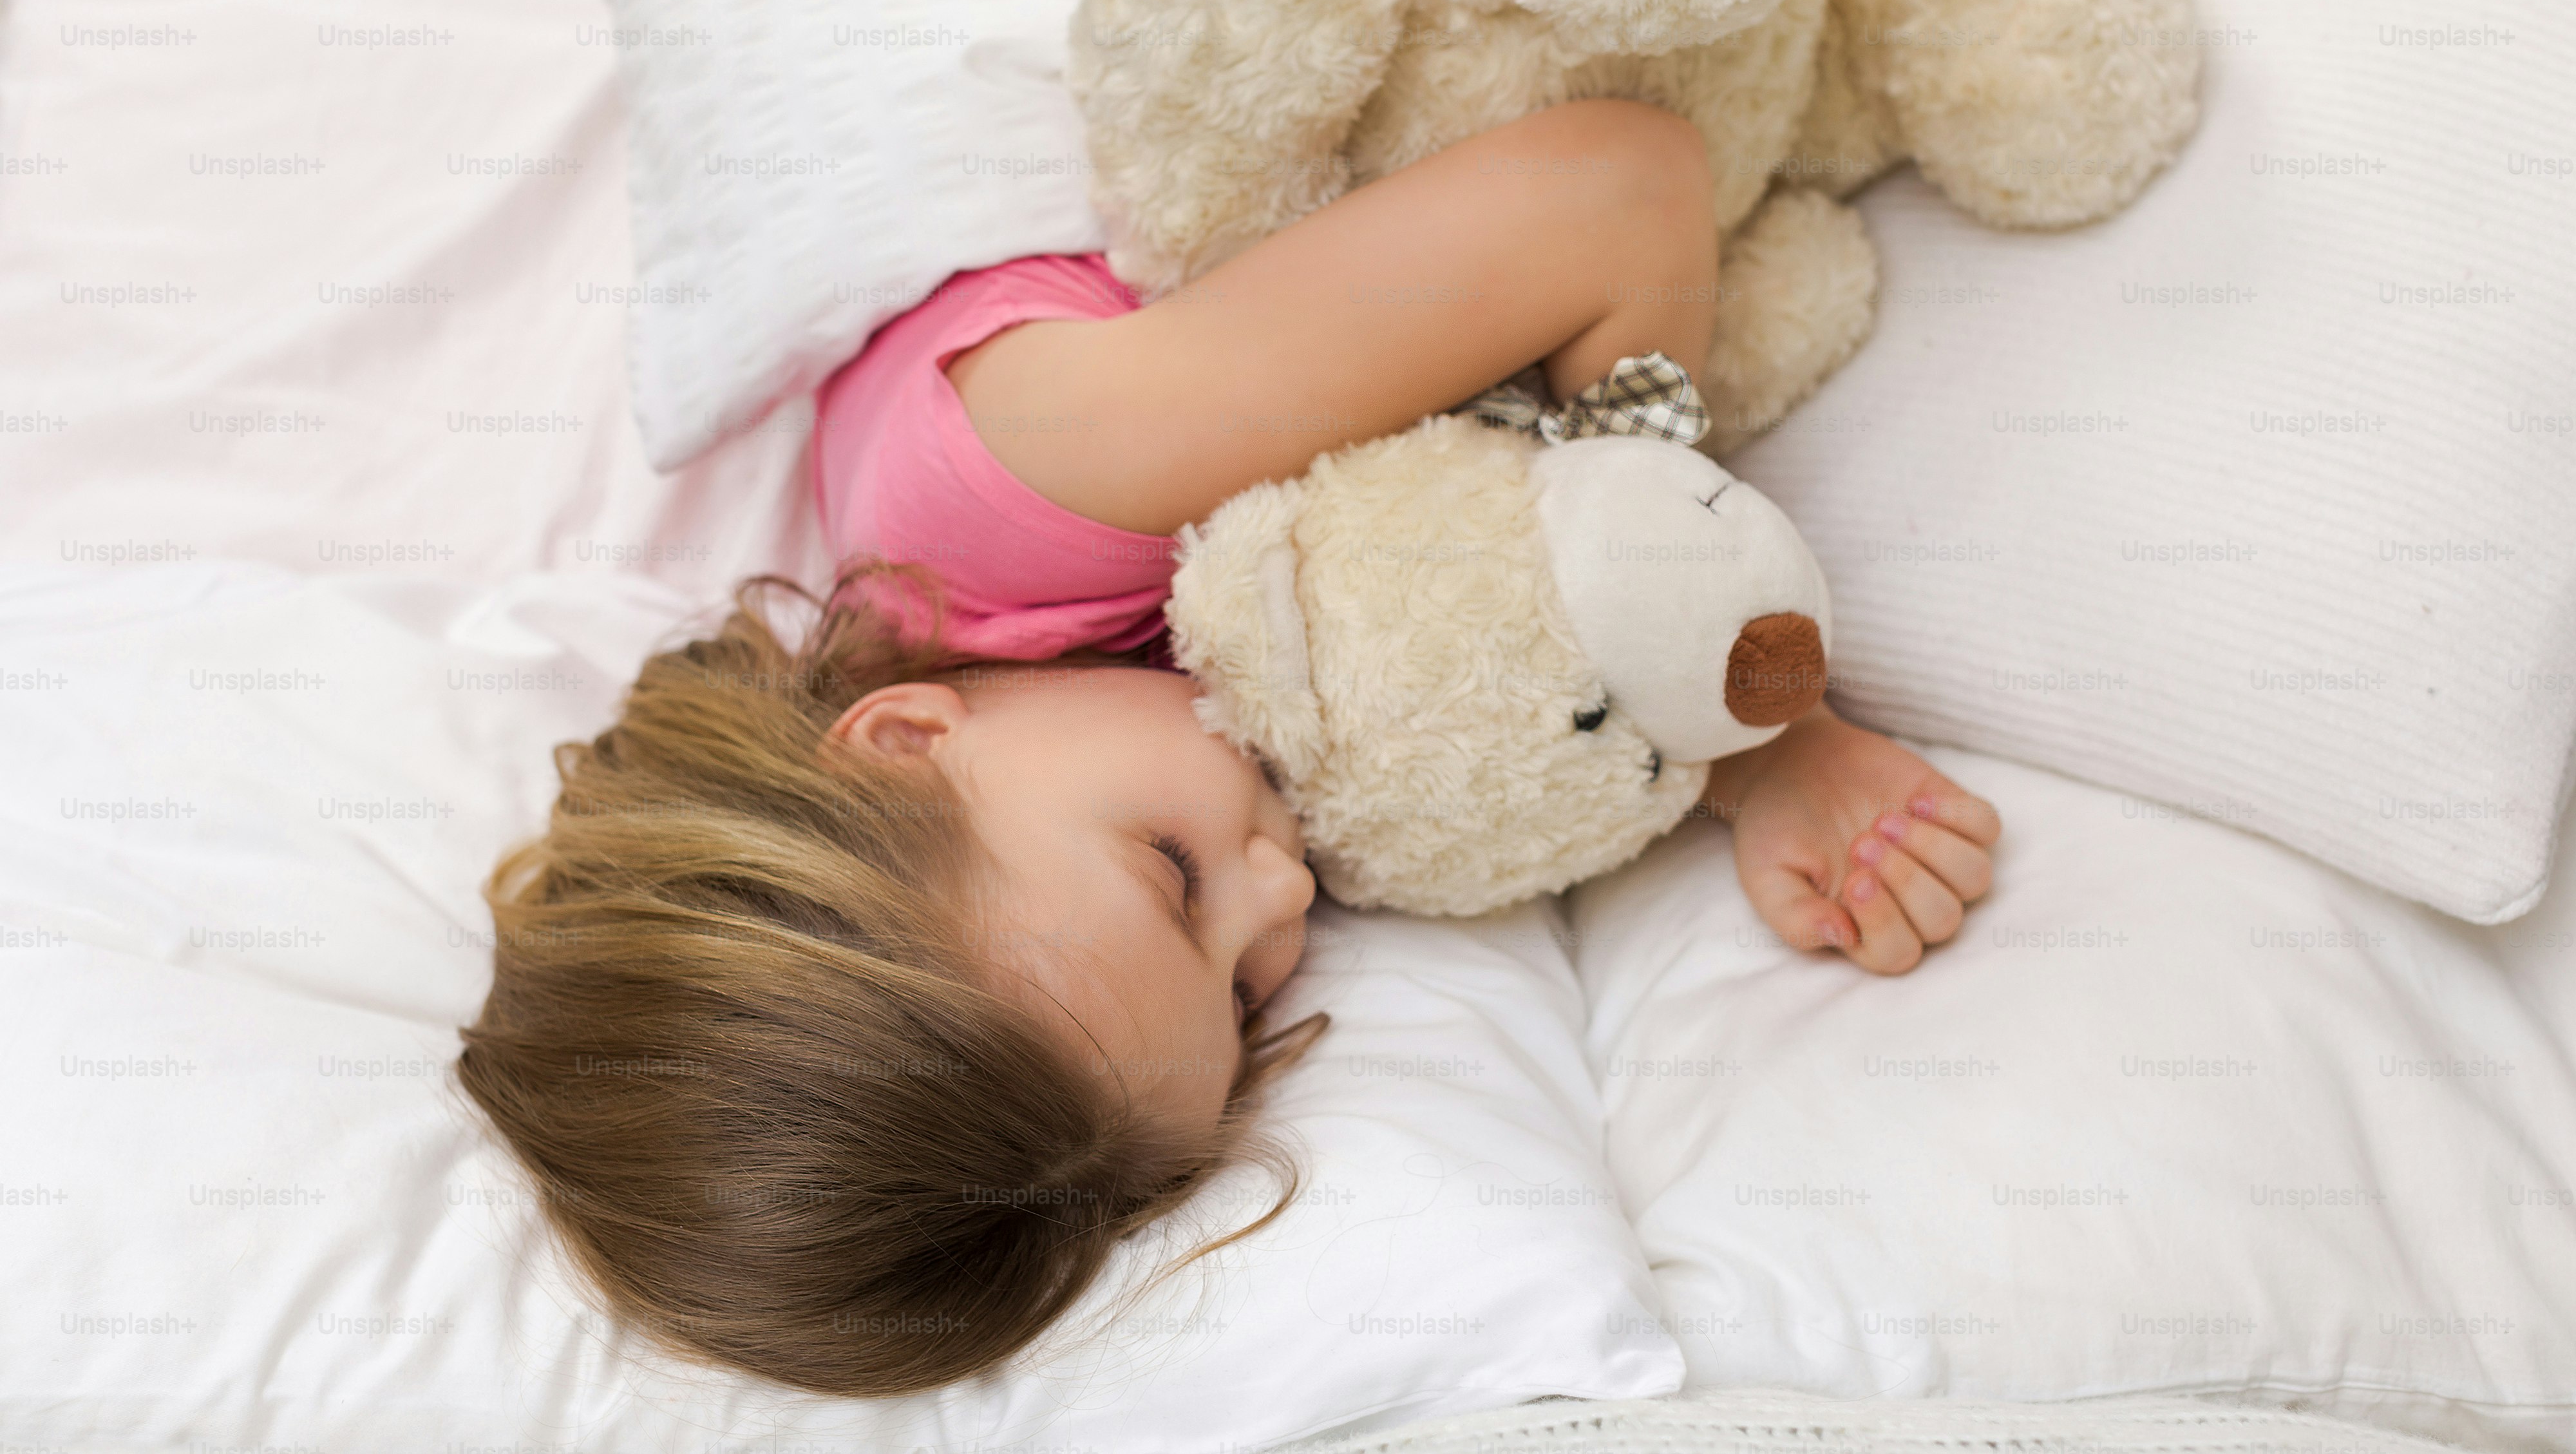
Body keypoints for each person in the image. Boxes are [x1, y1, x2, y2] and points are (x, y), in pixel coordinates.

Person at [457, 99, 2000, 1397]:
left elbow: (1620, 185)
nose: (1284, 896)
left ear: (905, 737)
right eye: (1250, 991)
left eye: (1172, 872)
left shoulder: (1033, 486)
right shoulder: (1074, 741)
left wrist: (1746, 728)